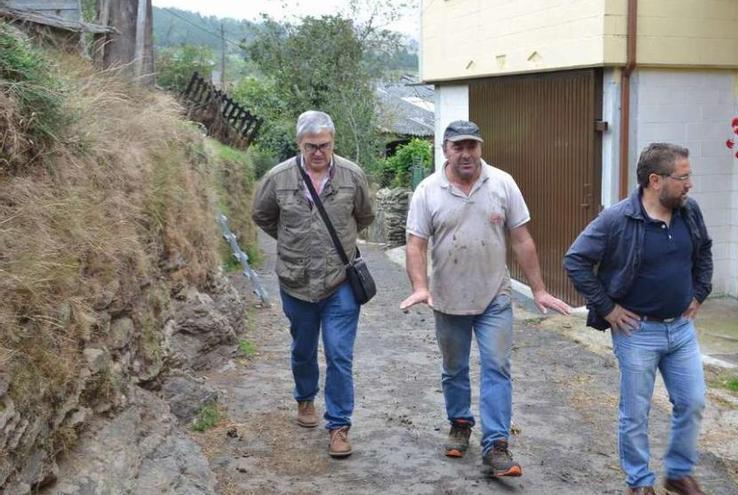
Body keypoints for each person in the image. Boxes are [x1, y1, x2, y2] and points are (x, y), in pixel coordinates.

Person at [401, 120, 571, 477]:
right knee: (455, 369)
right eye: (458, 147)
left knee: (497, 366)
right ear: (445, 150)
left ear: (480, 148)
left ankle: (496, 444)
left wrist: (538, 288)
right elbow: (416, 244)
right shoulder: (428, 191)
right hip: (448, 298)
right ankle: (460, 423)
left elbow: (522, 239)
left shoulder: (502, 183)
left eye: (472, 146)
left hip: (495, 294)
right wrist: (420, 285)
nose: (466, 154)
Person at [564, 143, 713, 495]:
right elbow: (575, 260)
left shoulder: (689, 213)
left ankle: (677, 472)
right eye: (684, 177)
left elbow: (704, 249)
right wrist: (607, 308)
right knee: (635, 413)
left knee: (692, 402)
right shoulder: (618, 218)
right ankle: (639, 482)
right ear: (655, 180)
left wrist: (700, 291)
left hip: (680, 329)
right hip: (637, 332)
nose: (690, 184)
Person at [252, 110, 374, 458]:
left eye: (324, 145)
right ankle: (305, 398)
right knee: (303, 349)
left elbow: (365, 216)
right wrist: (294, 241)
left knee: (339, 354)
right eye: (311, 146)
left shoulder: (352, 176)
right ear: (299, 144)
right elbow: (262, 216)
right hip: (296, 281)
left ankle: (338, 425)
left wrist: (335, 243)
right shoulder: (278, 178)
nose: (318, 152)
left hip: (340, 283)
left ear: (333, 143)